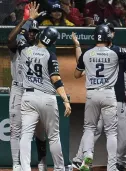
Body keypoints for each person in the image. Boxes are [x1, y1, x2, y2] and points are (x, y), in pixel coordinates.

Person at [71, 21, 126, 171]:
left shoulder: (87, 54)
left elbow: (76, 74)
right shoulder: (115, 52)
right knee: (112, 132)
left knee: (89, 128)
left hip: (92, 94)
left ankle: (87, 157)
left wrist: (77, 46)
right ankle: (112, 166)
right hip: (109, 94)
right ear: (108, 37)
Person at [16, 6, 71, 171]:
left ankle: (25, 168)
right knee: (53, 137)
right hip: (47, 98)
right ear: (52, 42)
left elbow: (20, 36)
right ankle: (60, 168)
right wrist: (66, 100)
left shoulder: (26, 50)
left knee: (25, 135)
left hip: (28, 97)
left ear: (40, 36)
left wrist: (30, 20)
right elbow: (56, 79)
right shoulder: (50, 55)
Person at [7, 2, 47, 171]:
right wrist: (25, 21)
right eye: (30, 31)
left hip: (36, 90)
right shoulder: (18, 45)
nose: (32, 34)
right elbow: (10, 39)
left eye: (34, 32)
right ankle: (16, 164)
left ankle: (42, 161)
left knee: (40, 130)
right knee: (16, 129)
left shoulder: (42, 49)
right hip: (18, 88)